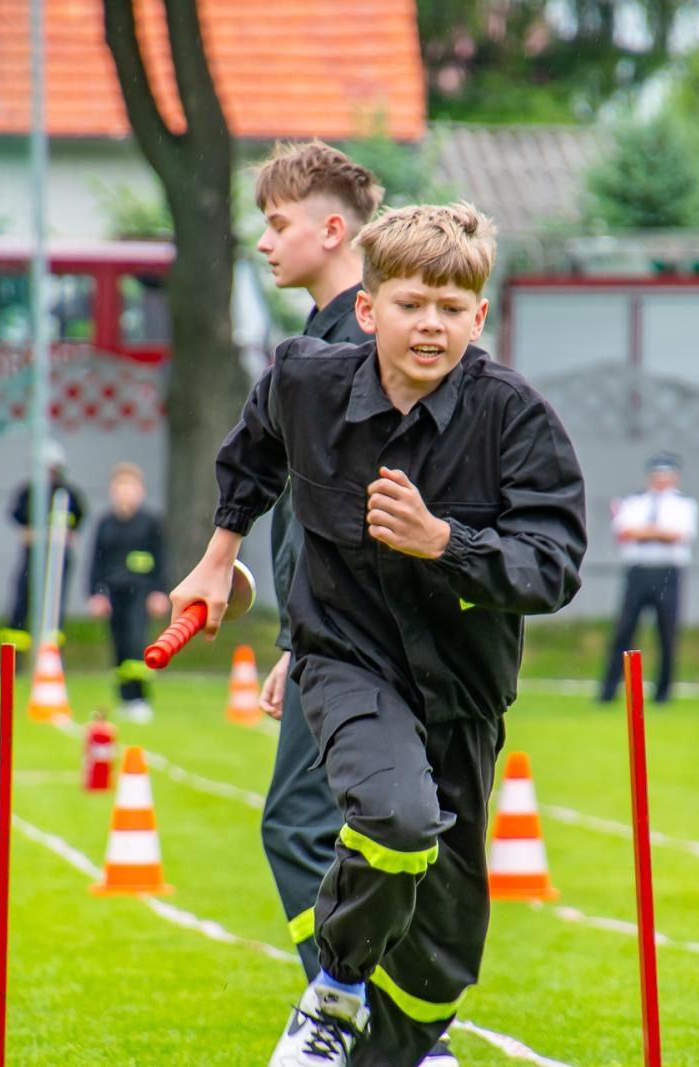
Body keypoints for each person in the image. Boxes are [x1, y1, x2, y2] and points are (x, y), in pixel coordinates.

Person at [171, 203, 586, 1067]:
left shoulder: (516, 419)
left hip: (463, 691)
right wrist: (217, 560)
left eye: (450, 307)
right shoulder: (304, 381)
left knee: (444, 954)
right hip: (345, 659)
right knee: (396, 818)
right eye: (410, 303)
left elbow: (553, 565)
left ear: (479, 316)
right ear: (367, 308)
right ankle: (333, 989)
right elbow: (252, 456)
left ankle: (386, 1051)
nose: (430, 324)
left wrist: (446, 541)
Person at [249, 141, 389, 1002]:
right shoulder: (321, 339)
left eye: (276, 224)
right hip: (328, 631)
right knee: (336, 827)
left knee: (299, 825)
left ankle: (350, 1007)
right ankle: (372, 1009)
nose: (263, 242)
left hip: (356, 634)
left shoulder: (352, 347)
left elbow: (342, 524)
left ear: (333, 229)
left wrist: (312, 636)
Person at [598, 452, 698, 704]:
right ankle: (608, 691)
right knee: (624, 631)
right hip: (638, 571)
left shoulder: (684, 504)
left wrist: (646, 532)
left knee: (667, 633)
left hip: (668, 572)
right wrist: (657, 533)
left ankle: (663, 693)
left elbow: (679, 534)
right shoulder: (634, 501)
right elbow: (625, 531)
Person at [86, 463, 170, 723]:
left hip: (141, 591)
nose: (125, 494)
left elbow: (162, 559)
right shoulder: (106, 524)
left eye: (130, 488)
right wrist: (96, 593)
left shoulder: (150, 523)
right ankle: (125, 698)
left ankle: (140, 698)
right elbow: (96, 561)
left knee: (136, 642)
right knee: (119, 645)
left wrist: (159, 592)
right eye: (120, 488)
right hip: (114, 593)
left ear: (140, 491)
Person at [0, 441, 86, 651]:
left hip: (59, 558)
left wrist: (49, 536)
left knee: (55, 606)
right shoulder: (27, 493)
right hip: (32, 557)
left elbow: (74, 527)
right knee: (22, 604)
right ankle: (13, 657)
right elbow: (19, 523)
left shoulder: (67, 494)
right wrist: (44, 535)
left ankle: (51, 656)